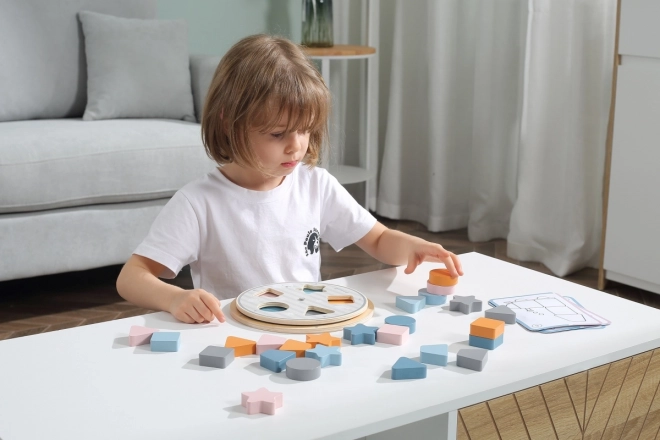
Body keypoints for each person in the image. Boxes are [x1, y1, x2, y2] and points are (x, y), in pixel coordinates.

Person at [116, 34, 463, 324]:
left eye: (306, 130)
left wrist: (413, 247)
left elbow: (378, 239)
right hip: (236, 335)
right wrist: (176, 298)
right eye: (278, 134)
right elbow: (131, 278)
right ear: (228, 122)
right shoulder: (198, 203)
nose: (296, 146)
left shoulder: (316, 185)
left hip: (306, 326)